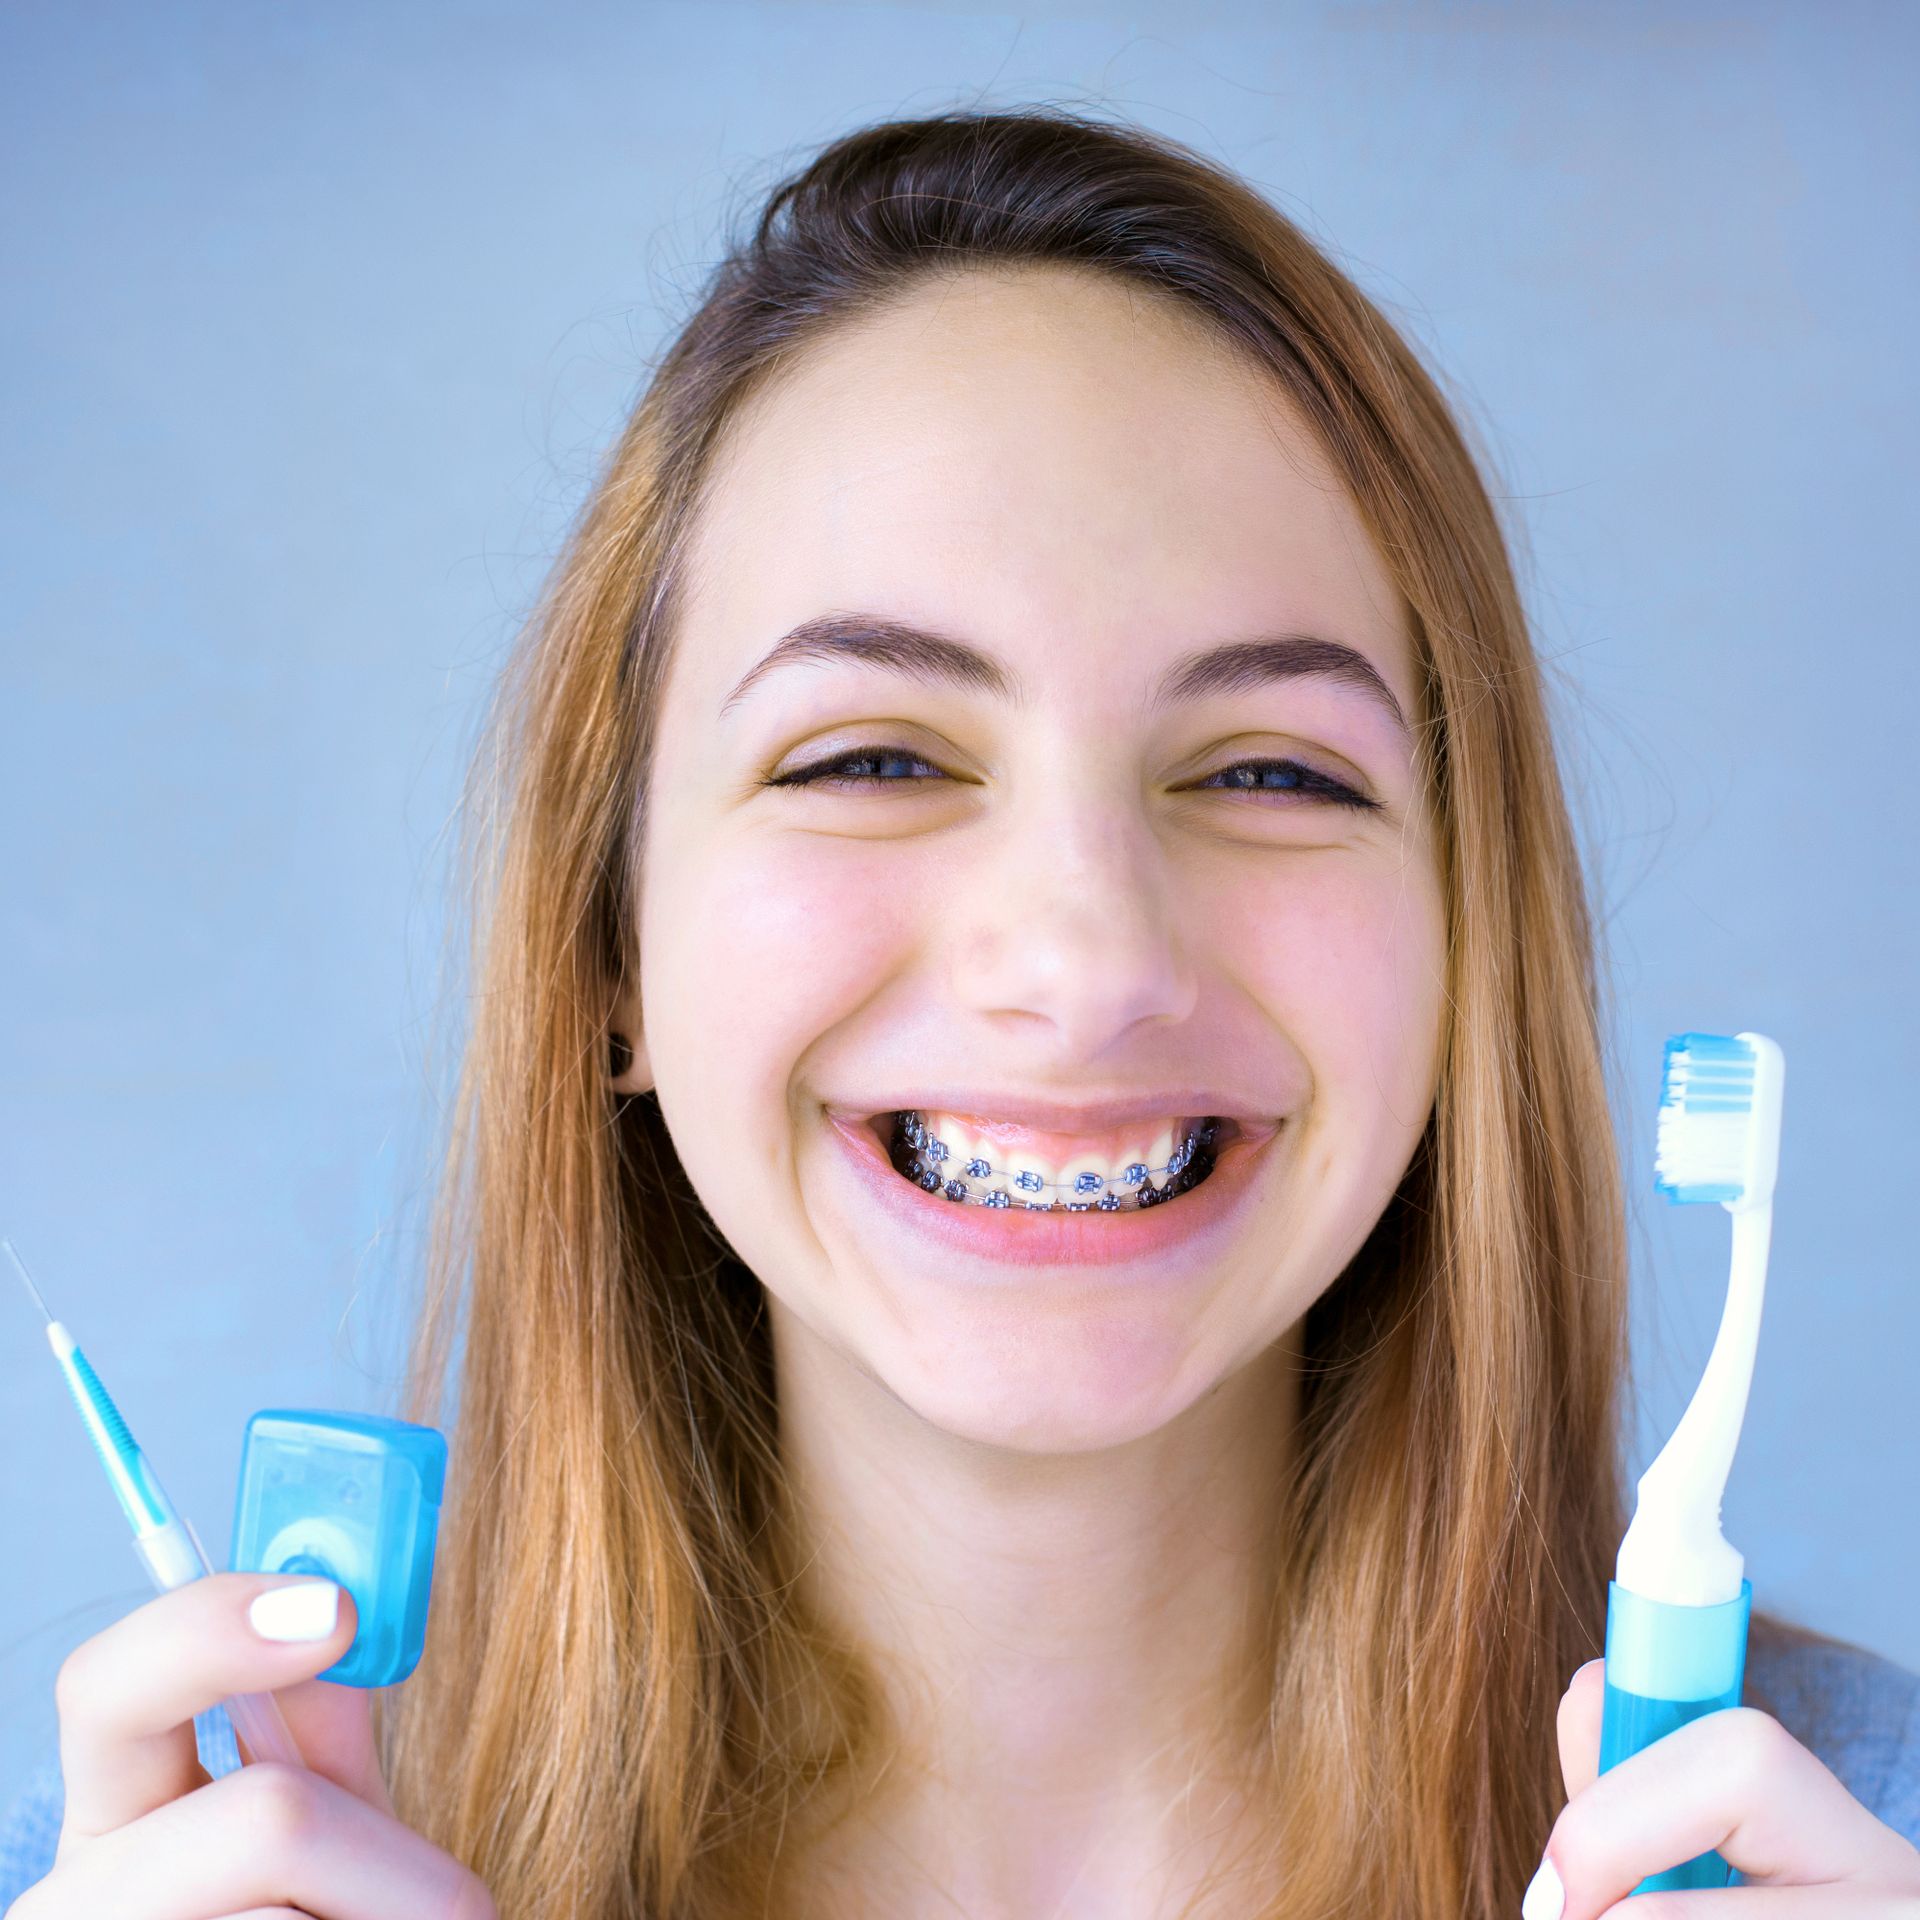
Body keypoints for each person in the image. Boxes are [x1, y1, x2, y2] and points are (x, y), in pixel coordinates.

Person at [4, 106, 1917, 1920]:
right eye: (874, 756)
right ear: (612, 954)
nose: (1084, 965)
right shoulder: (181, 1873)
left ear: (1462, 954)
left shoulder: (1864, 1845)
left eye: (1269, 773)